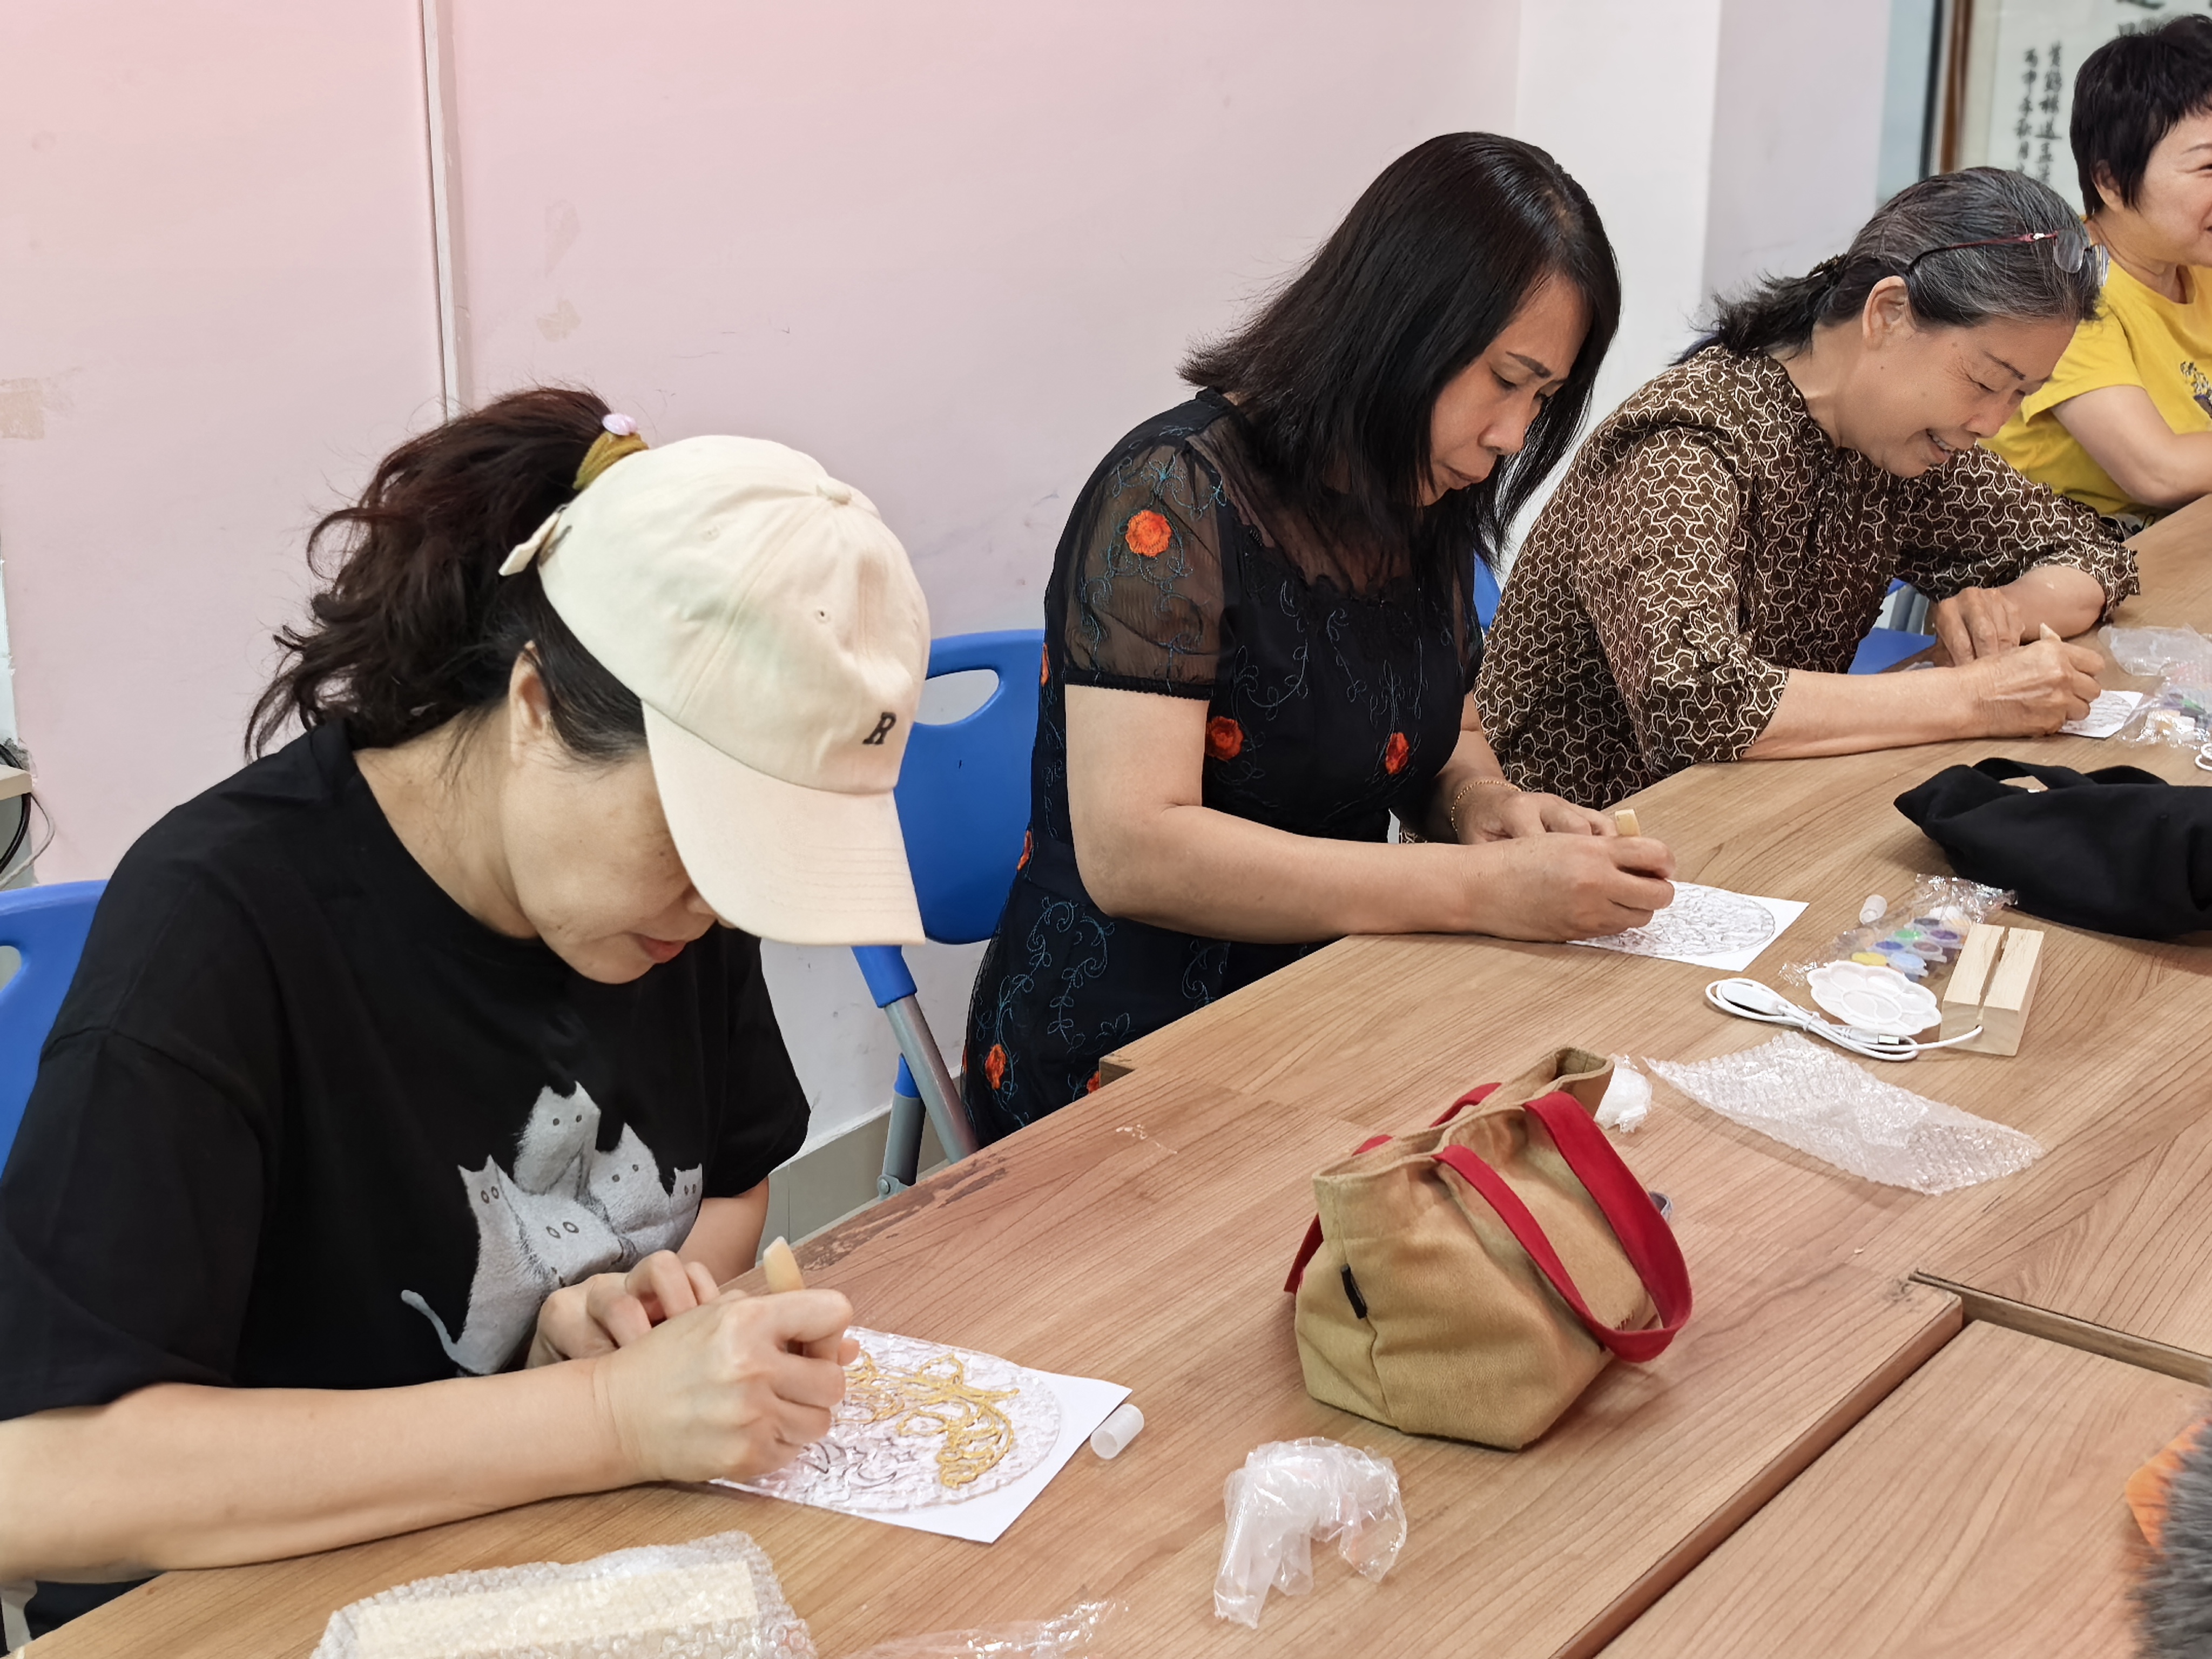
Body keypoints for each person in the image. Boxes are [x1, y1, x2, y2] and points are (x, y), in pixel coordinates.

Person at [0, 390, 932, 1635]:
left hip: (536, 1557)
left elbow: (729, 1190)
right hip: (247, 1604)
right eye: (699, 842)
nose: (713, 909)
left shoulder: (671, 903)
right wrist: (602, 1415)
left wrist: (629, 1312)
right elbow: (44, 1480)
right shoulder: (219, 927)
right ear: (536, 705)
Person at [960, 133, 1677, 1139]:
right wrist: (1479, 888)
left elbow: (1449, 731)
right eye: (1505, 380)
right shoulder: (1172, 499)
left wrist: (1486, 807)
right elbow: (1134, 851)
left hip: (1331, 993)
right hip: (1123, 1044)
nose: (1514, 435)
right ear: (1401, 327)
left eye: (1543, 400)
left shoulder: (1421, 493)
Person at [1479, 168, 2140, 811]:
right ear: (1888, 313)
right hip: (1570, 844)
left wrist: (2003, 611)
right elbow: (1692, 698)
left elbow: (2094, 551)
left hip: (1756, 815)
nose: (1992, 423)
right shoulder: (1685, 443)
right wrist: (1976, 697)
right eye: (1987, 381)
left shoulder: (1893, 446)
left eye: (2021, 394)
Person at [1990, 16, 2212, 531]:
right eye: (2208, 168)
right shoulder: (2063, 285)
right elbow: (2155, 470)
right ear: (2110, 182)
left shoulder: (2196, 261)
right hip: (2056, 558)